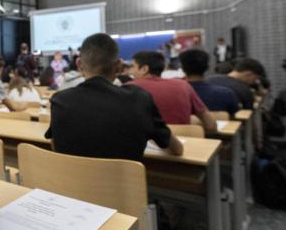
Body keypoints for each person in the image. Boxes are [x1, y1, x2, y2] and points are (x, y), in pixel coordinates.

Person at [45, 33, 183, 161]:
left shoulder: (60, 100)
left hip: (68, 186)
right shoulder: (140, 100)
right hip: (124, 187)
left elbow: (56, 148)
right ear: (118, 66)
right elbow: (177, 149)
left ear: (79, 64)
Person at [127, 51, 217, 133]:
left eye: (132, 66)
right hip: (184, 146)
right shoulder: (183, 85)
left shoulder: (128, 88)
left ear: (144, 69)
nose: (130, 71)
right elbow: (211, 125)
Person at [179, 49, 240, 115]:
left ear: (182, 68)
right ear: (207, 67)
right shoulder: (226, 94)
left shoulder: (176, 94)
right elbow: (234, 117)